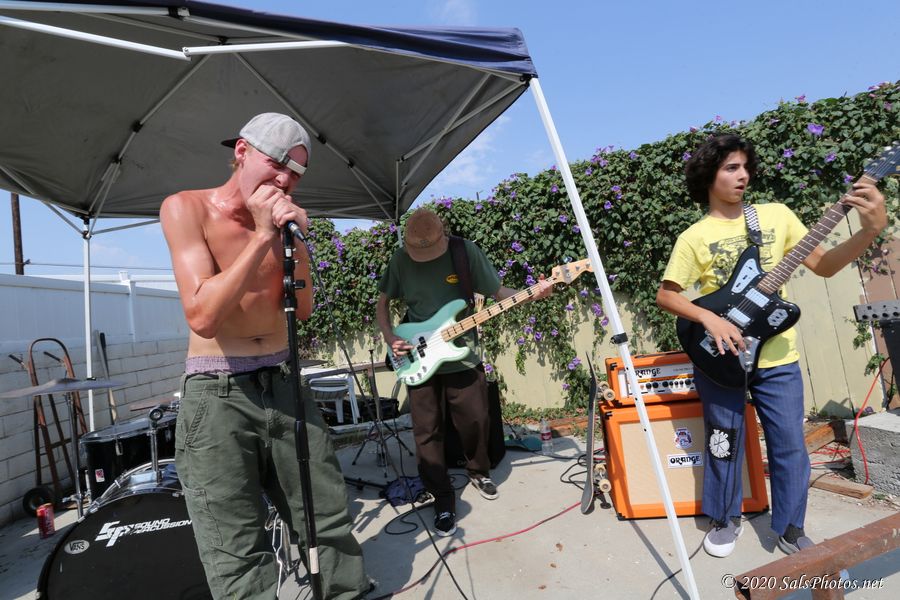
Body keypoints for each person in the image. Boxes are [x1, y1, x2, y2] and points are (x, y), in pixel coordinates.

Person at [160, 113, 369, 599]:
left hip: (283, 378)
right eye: (277, 163)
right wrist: (259, 236)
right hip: (219, 390)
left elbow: (304, 308)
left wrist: (294, 243)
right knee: (233, 539)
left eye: (296, 173)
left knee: (324, 512)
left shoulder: (281, 223)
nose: (285, 180)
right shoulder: (187, 208)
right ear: (241, 152)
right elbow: (203, 315)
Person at [656, 133, 887, 558]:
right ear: (709, 175)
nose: (742, 175)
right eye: (731, 167)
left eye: (745, 167)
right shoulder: (694, 237)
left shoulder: (776, 216)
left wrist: (870, 230)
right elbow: (667, 296)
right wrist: (709, 318)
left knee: (789, 445)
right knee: (723, 440)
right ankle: (724, 518)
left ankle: (791, 527)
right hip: (720, 355)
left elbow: (825, 266)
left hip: (779, 357)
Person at [376, 208, 552, 537]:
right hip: (417, 354)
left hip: (463, 354)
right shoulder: (400, 260)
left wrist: (533, 294)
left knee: (476, 419)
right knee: (426, 430)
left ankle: (478, 471)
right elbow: (382, 303)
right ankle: (441, 496)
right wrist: (389, 337)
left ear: (443, 234)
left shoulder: (464, 252)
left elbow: (499, 294)